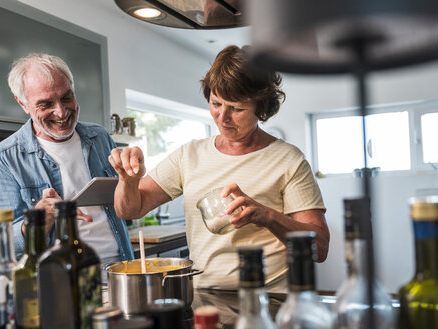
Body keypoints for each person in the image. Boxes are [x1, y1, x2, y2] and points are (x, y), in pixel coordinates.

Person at [109, 45, 329, 291]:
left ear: (262, 108)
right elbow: (130, 210)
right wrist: (127, 180)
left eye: (236, 108)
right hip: (204, 299)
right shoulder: (188, 155)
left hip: (270, 299)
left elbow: (319, 247)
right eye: (216, 103)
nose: (222, 117)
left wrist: (267, 216)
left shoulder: (288, 159)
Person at [0, 53, 134, 263]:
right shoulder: (3, 160)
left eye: (66, 97)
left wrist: (132, 180)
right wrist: (36, 221)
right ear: (23, 104)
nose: (61, 112)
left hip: (120, 268)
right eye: (45, 104)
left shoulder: (100, 137)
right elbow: (5, 245)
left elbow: (125, 207)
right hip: (60, 282)